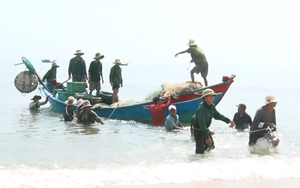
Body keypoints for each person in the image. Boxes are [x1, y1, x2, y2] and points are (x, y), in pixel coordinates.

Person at [192, 89, 236, 154]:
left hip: (205, 129)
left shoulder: (212, 106)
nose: (212, 98)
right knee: (200, 152)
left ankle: (207, 160)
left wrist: (229, 120)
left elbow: (217, 115)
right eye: (210, 96)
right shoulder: (201, 109)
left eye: (213, 96)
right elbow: (202, 124)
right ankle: (197, 161)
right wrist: (206, 137)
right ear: (205, 97)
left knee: (211, 146)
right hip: (198, 131)